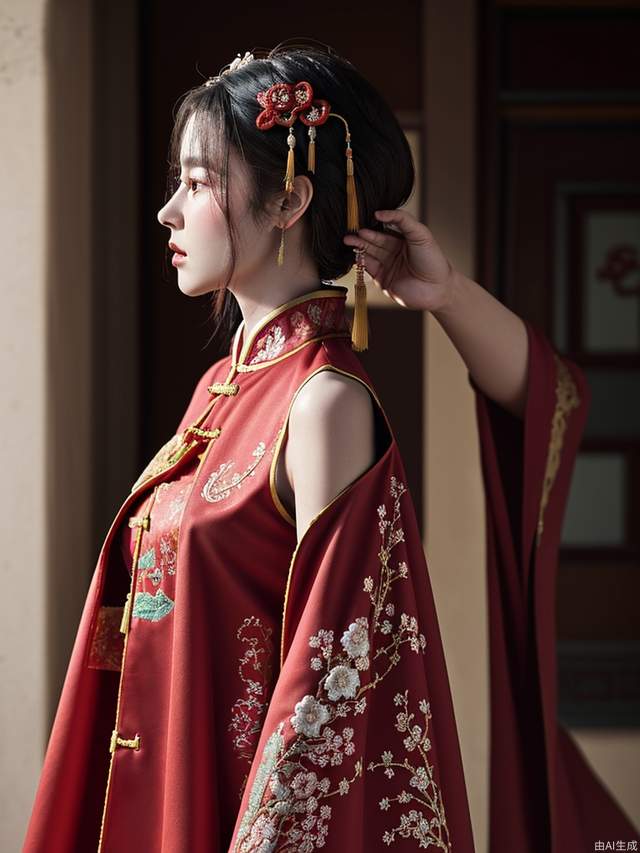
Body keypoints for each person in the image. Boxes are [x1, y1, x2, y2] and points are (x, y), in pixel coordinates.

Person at [22, 40, 637, 853]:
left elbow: (328, 683)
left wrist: (443, 292)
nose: (169, 210)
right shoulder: (219, 390)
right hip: (166, 792)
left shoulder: (324, 404)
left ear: (289, 201)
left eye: (199, 183)